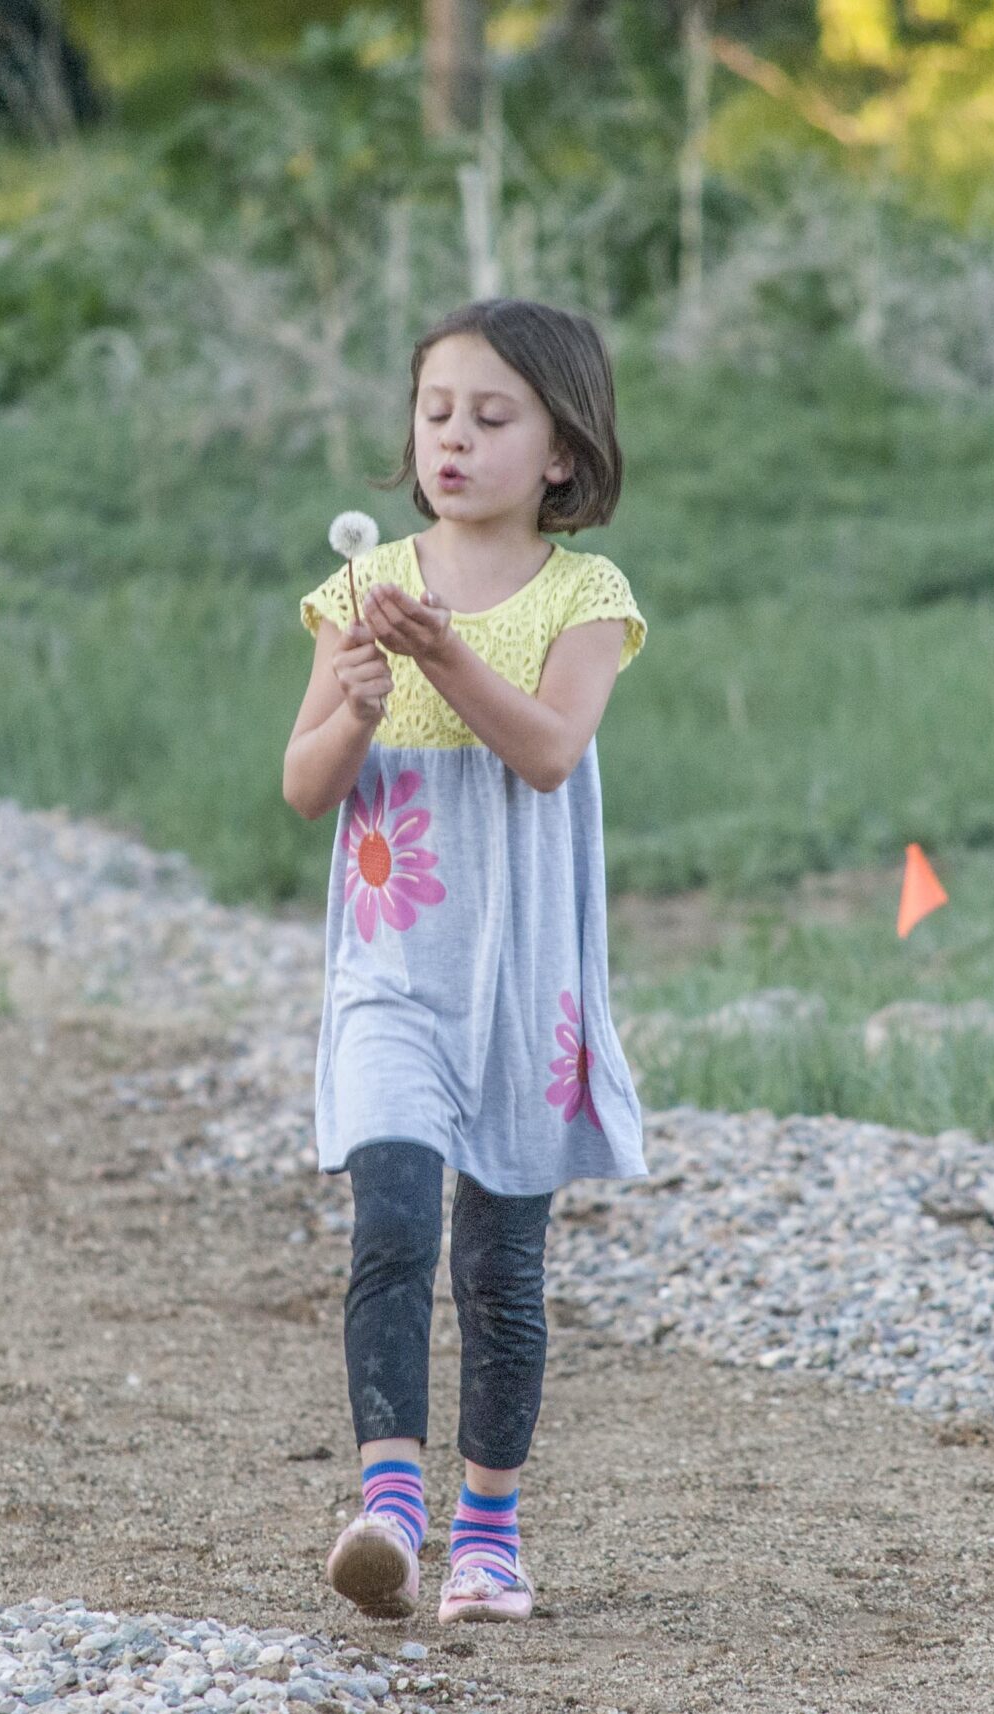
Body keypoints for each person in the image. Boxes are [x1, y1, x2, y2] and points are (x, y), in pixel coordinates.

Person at [280, 297, 650, 1623]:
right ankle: (386, 1505)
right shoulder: (361, 594)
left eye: (492, 418)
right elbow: (304, 782)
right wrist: (359, 702)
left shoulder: (584, 596)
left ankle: (485, 1536)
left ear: (560, 451)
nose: (455, 438)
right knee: (390, 1226)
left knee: (500, 1269)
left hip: (523, 980)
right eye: (437, 411)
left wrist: (447, 659)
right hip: (393, 972)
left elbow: (550, 750)